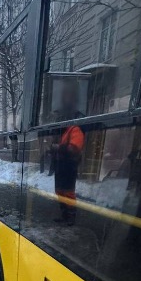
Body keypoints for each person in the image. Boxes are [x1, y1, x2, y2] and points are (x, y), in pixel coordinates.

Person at [53, 81, 85, 225]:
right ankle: (64, 214)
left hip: (69, 165)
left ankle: (71, 217)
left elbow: (74, 148)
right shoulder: (64, 125)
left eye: (69, 95)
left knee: (68, 192)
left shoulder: (76, 126)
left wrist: (58, 148)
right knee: (59, 191)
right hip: (61, 165)